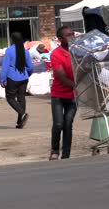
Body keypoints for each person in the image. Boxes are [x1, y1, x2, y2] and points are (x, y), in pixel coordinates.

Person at [49, 26, 77, 160]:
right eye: (68, 35)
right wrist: (77, 86)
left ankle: (66, 154)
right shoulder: (56, 54)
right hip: (58, 95)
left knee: (68, 124)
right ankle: (54, 150)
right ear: (60, 39)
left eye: (72, 34)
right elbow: (62, 77)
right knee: (59, 123)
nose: (71, 37)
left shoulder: (78, 52)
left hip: (74, 96)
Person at [0, 32, 33, 129]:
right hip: (24, 78)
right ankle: (20, 121)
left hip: (12, 78)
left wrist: (2, 79)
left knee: (10, 98)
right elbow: (30, 67)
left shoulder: (9, 51)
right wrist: (27, 74)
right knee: (21, 98)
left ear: (12, 40)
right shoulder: (25, 51)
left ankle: (23, 113)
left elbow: (5, 67)